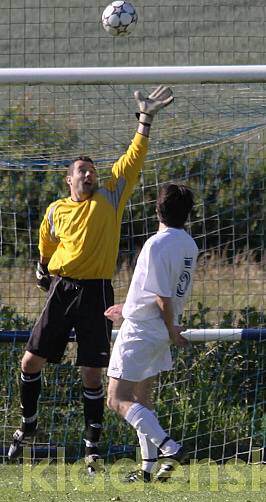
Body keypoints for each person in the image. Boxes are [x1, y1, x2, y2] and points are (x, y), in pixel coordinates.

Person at [7, 86, 175, 474]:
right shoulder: (55, 211)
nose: (89, 173)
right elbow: (46, 247)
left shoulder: (110, 196)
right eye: (82, 170)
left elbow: (133, 159)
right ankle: (28, 424)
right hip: (62, 288)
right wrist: (42, 269)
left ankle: (92, 447)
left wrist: (145, 119)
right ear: (69, 180)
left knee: (92, 372)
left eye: (92, 169)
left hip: (97, 290)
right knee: (31, 361)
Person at [104, 182, 197, 482]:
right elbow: (161, 291)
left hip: (143, 331)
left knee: (116, 399)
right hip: (155, 330)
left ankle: (169, 447)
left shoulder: (156, 244)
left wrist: (172, 330)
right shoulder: (189, 245)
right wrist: (129, 306)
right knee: (143, 401)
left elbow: (161, 297)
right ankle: (146, 469)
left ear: (157, 209)